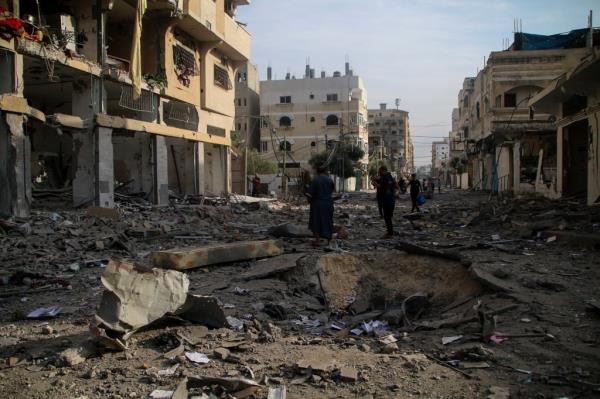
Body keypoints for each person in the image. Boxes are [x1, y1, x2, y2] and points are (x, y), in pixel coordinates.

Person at [306, 166, 335, 247]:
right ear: (325, 171)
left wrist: (309, 201)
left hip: (317, 204)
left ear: (317, 172)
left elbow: (309, 194)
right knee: (328, 221)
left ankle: (317, 240)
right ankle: (329, 239)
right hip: (328, 203)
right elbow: (332, 191)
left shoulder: (315, 180)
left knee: (315, 222)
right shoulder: (330, 180)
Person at [378, 166, 397, 238]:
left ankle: (390, 233)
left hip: (387, 201)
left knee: (387, 217)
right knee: (389, 217)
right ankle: (390, 231)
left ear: (383, 170)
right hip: (391, 200)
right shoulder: (390, 177)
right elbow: (394, 186)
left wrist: (386, 190)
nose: (379, 172)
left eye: (380, 171)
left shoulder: (385, 178)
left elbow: (385, 188)